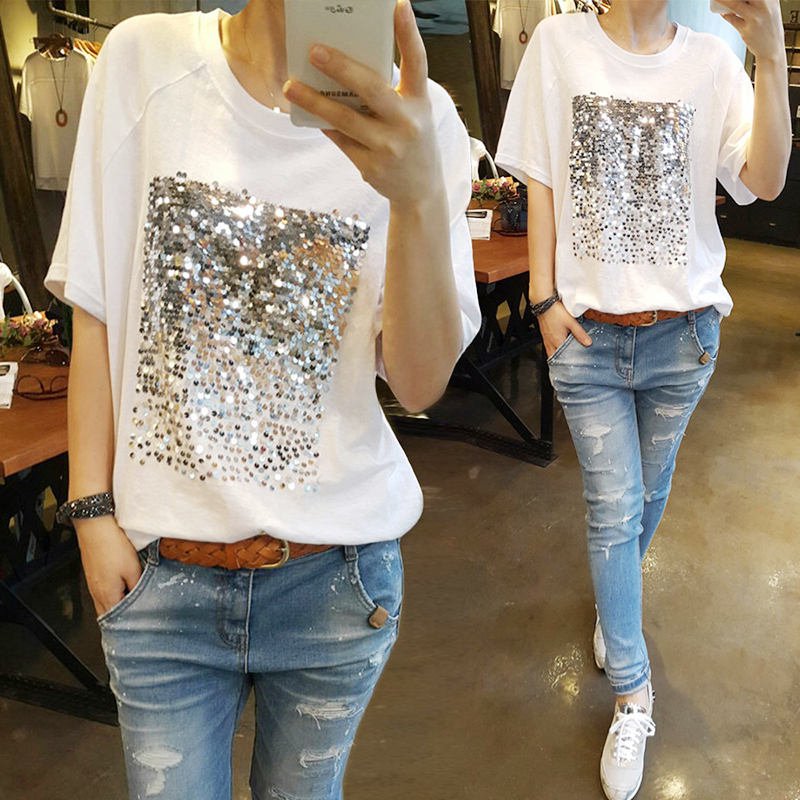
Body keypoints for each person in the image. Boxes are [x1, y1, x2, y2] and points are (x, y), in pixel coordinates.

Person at [45, 1, 479, 798]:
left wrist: (419, 197)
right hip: (161, 579)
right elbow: (94, 309)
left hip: (334, 579)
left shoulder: (423, 123)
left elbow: (418, 384)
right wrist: (91, 514)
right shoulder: (144, 62)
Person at [495, 1, 790, 798]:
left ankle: (613, 606)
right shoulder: (557, 43)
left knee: (647, 495)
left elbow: (764, 181)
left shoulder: (714, 60)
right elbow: (541, 177)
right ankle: (633, 693)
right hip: (587, 337)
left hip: (682, 335)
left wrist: (770, 58)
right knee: (614, 505)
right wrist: (543, 299)